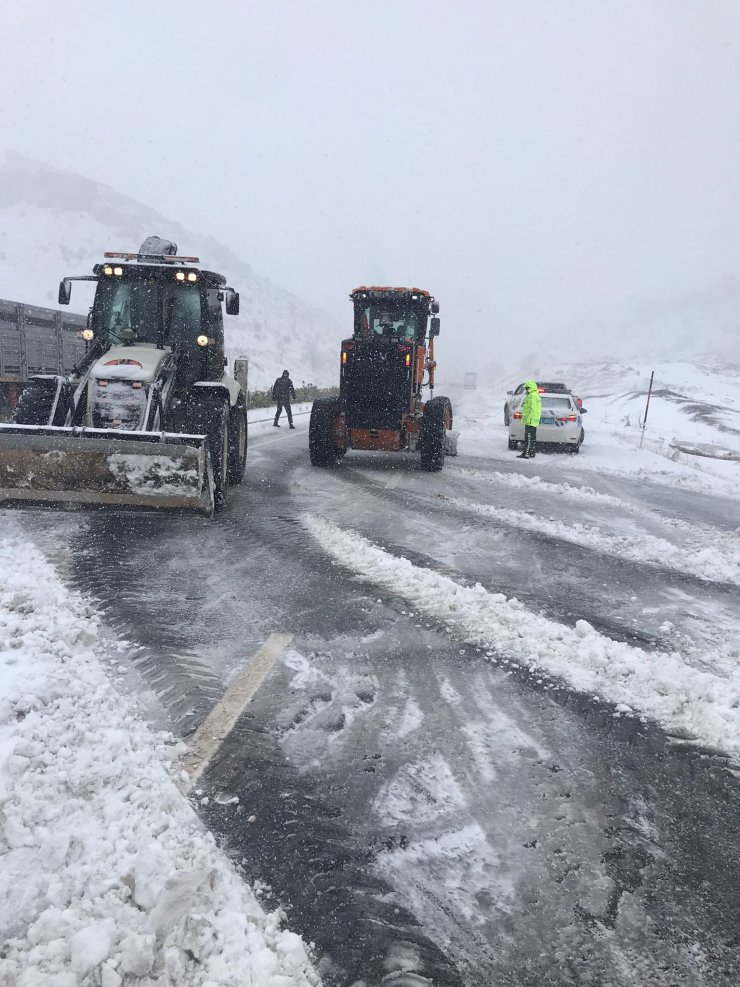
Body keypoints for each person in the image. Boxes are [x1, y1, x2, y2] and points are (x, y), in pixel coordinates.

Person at [517, 380, 541, 458]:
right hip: (533, 420)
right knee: (532, 437)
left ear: (530, 388)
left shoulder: (532, 396)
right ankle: (532, 452)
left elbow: (532, 408)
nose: (526, 390)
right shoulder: (535, 394)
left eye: (527, 388)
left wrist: (528, 418)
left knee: (529, 437)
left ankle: (526, 453)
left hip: (530, 420)